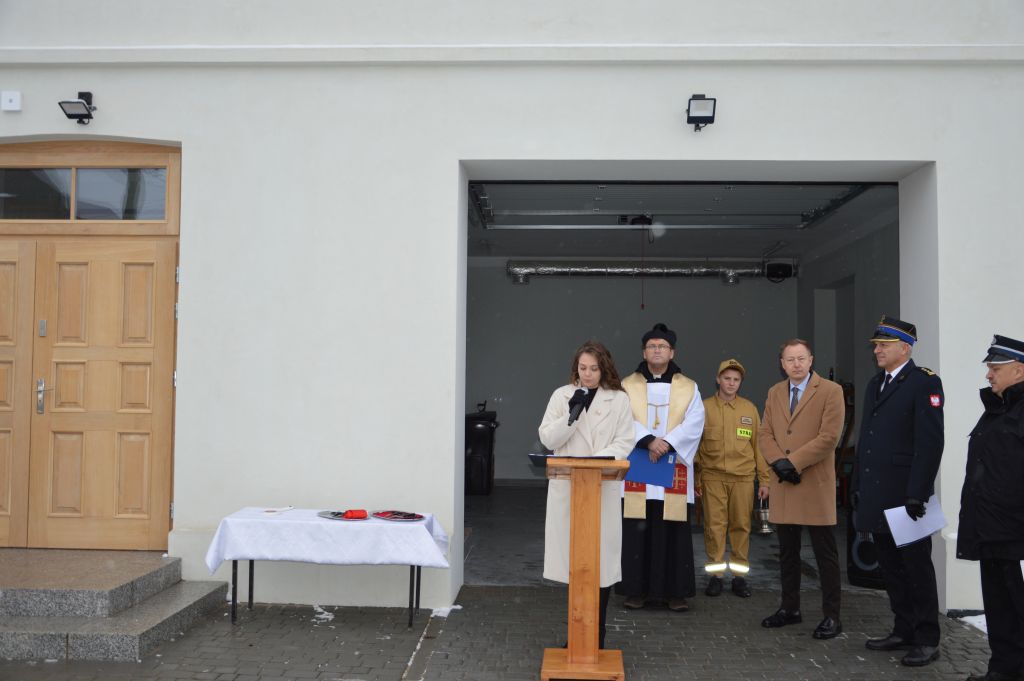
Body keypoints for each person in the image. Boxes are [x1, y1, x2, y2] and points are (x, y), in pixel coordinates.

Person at [852, 316, 944, 667]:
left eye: (883, 345)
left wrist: (917, 492)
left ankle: (927, 638)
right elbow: (867, 439)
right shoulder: (876, 383)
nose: (876, 350)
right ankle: (903, 628)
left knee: (916, 569)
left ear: (904, 348)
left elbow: (930, 443)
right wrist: (857, 485)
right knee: (891, 568)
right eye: (876, 345)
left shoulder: (924, 383)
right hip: (877, 493)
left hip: (906, 497)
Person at [539, 340, 635, 649]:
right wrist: (572, 415)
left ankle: (598, 636)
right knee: (575, 562)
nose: (588, 374)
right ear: (575, 368)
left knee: (600, 564)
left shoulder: (619, 399)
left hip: (601, 487)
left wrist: (595, 462)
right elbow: (547, 438)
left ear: (604, 369)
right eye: (583, 368)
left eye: (594, 368)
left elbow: (625, 440)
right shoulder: (562, 396)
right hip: (570, 489)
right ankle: (577, 638)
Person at [758, 338, 845, 639]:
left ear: (811, 360)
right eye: (790, 359)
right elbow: (765, 433)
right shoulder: (775, 392)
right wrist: (778, 463)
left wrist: (792, 463)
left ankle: (832, 615)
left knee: (824, 554)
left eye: (801, 358)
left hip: (813, 482)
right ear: (782, 364)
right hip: (784, 483)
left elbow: (829, 437)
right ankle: (789, 608)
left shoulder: (831, 391)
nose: (796, 364)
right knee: (787, 553)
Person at [619, 323, 705, 612]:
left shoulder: (689, 387)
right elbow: (621, 418)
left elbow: (695, 422)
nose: (657, 350)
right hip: (639, 464)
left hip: (673, 464)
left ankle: (674, 592)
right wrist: (648, 441)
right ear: (644, 352)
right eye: (652, 346)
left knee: (673, 530)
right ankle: (635, 590)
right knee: (636, 529)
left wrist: (666, 443)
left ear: (672, 352)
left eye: (662, 346)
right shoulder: (627, 385)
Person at [956, 334, 1024, 681]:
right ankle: (1003, 670)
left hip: (1015, 530)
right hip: (990, 527)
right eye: (989, 368)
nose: (988, 374)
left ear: (1019, 370)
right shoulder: (997, 409)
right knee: (999, 607)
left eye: (996, 368)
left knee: (1016, 605)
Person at [695, 358, 770, 598]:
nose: (731, 383)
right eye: (727, 378)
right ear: (718, 380)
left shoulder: (749, 409)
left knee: (741, 526)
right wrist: (696, 479)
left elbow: (759, 447)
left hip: (743, 478)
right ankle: (715, 576)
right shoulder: (703, 408)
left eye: (736, 380)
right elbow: (694, 446)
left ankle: (739, 577)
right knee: (714, 527)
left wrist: (764, 480)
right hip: (713, 477)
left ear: (740, 382)